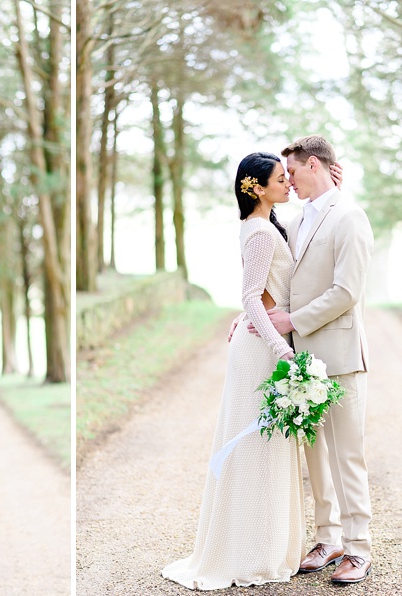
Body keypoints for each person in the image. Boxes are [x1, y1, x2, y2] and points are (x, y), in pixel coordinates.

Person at [161, 152, 305, 590]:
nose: (288, 184)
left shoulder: (266, 224)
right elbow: (250, 296)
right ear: (257, 187)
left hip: (261, 340)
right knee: (255, 448)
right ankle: (248, 552)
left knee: (269, 448)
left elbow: (261, 298)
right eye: (281, 179)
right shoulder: (260, 231)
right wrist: (282, 349)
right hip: (261, 352)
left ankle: (268, 544)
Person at [258, 135, 374, 584]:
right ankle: (328, 538)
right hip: (305, 359)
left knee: (348, 455)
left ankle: (359, 548)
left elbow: (347, 291)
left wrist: (293, 321)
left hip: (341, 355)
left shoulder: (349, 216)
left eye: (291, 173)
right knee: (315, 455)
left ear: (313, 164)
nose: (287, 182)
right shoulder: (300, 218)